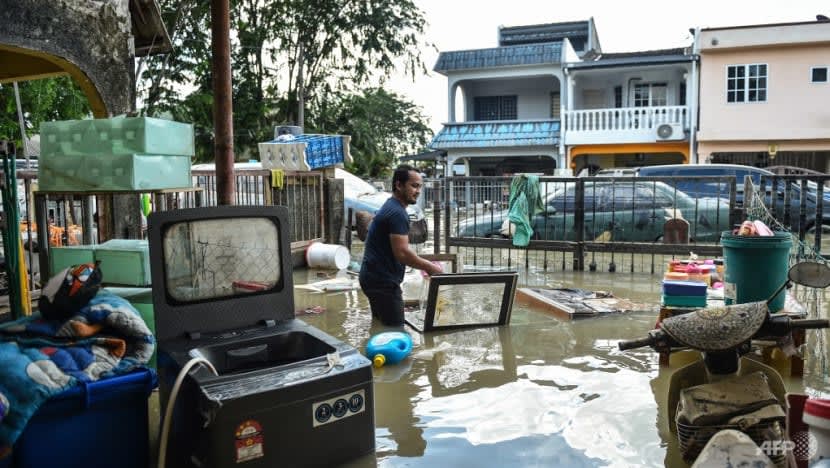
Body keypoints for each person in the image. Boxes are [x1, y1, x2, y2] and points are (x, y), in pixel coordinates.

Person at [359, 165, 443, 326]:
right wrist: (431, 268)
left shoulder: (391, 206)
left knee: (379, 327)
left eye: (419, 186)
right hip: (382, 282)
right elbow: (403, 253)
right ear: (399, 185)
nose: (418, 191)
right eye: (413, 185)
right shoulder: (398, 213)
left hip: (372, 278)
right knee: (396, 330)